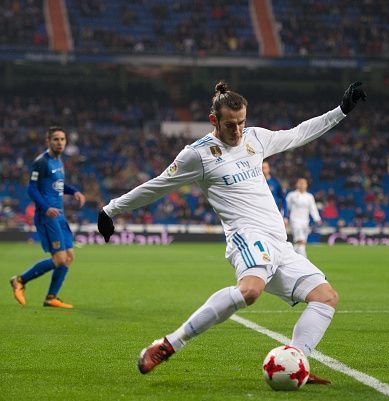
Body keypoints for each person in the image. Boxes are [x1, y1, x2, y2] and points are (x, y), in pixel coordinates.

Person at [97, 81, 366, 379]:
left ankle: (295, 362)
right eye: (229, 125)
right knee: (250, 291)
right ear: (214, 121)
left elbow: (299, 133)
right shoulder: (197, 155)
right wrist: (111, 210)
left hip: (280, 244)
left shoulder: (256, 139)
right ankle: (168, 344)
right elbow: (157, 185)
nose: (237, 131)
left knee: (326, 297)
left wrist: (342, 110)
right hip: (246, 237)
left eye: (241, 123)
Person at [9, 127, 86, 309]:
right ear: (48, 141)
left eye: (62, 139)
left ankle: (51, 297)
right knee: (59, 259)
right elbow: (31, 189)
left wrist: (74, 192)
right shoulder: (41, 162)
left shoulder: (59, 162)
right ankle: (19, 280)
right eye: (56, 139)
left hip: (59, 215)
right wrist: (46, 207)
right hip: (47, 216)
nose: (59, 142)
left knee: (68, 257)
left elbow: (58, 185)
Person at [285, 177, 322, 258]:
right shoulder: (291, 195)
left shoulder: (309, 196)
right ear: (297, 184)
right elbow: (286, 207)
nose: (302, 185)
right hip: (295, 221)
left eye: (303, 183)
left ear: (306, 185)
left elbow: (313, 208)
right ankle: (305, 261)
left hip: (305, 221)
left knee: (301, 243)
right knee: (300, 240)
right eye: (300, 183)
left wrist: (317, 218)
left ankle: (289, 257)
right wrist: (285, 217)